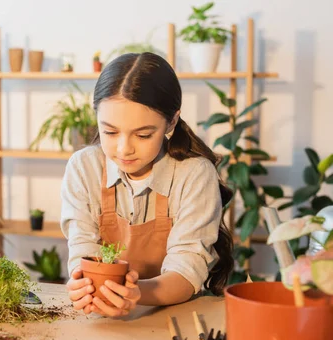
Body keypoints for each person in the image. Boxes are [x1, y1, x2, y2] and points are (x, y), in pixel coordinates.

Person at [61, 52, 233, 317]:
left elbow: (188, 269)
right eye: (109, 132)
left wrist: (136, 292)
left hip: (172, 319)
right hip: (102, 320)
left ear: (171, 122)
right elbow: (82, 251)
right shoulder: (84, 168)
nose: (123, 149)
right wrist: (82, 285)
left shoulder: (194, 175)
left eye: (142, 135)